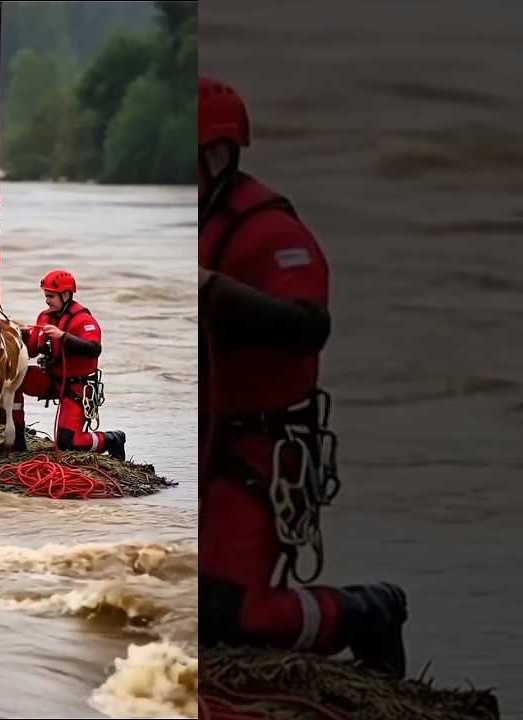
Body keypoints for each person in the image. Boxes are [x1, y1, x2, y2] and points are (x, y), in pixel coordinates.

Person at [198, 75, 410, 679]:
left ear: (215, 158)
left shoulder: (272, 234)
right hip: (203, 440)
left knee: (228, 615)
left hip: (258, 451)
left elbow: (308, 326)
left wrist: (213, 290)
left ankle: (366, 611)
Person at [9, 269, 127, 460]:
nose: (47, 300)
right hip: (51, 378)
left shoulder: (83, 320)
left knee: (68, 442)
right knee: (13, 380)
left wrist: (63, 336)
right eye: (45, 296)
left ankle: (113, 439)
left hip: (77, 386)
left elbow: (94, 349)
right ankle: (16, 438)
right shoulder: (45, 317)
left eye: (50, 296)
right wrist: (18, 333)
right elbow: (31, 351)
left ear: (65, 295)